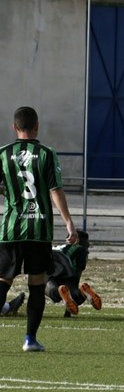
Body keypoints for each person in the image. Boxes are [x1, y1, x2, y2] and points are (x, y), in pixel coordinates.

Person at [0, 106, 79, 352]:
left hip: (11, 229)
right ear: (37, 127)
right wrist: (68, 221)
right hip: (39, 229)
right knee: (36, 284)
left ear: (15, 127)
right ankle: (30, 339)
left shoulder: (3, 153)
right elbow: (55, 190)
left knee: (3, 281)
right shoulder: (46, 153)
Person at [45, 229, 102, 317]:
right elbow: (77, 276)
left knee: (48, 290)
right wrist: (68, 313)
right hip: (69, 273)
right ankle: (83, 292)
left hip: (53, 269)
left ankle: (56, 293)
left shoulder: (60, 248)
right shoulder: (82, 251)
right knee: (74, 295)